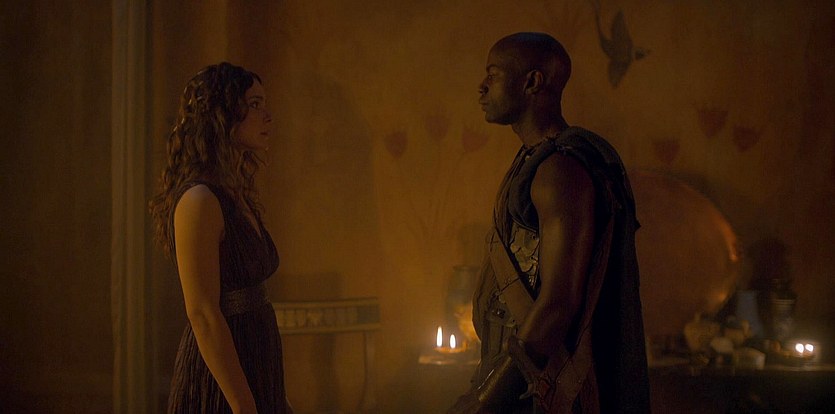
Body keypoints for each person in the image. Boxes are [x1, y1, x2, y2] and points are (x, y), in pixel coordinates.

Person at [449, 33, 651, 413]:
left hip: (548, 387)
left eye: (493, 74)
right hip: (524, 381)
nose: (482, 86)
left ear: (532, 82)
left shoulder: (560, 172)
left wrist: (486, 399)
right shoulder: (533, 161)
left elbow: (559, 303)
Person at [150, 62, 292, 414]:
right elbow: (202, 313)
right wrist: (243, 405)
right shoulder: (199, 200)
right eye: (254, 104)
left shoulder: (235, 194)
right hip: (221, 383)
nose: (267, 116)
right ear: (222, 115)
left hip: (256, 365)